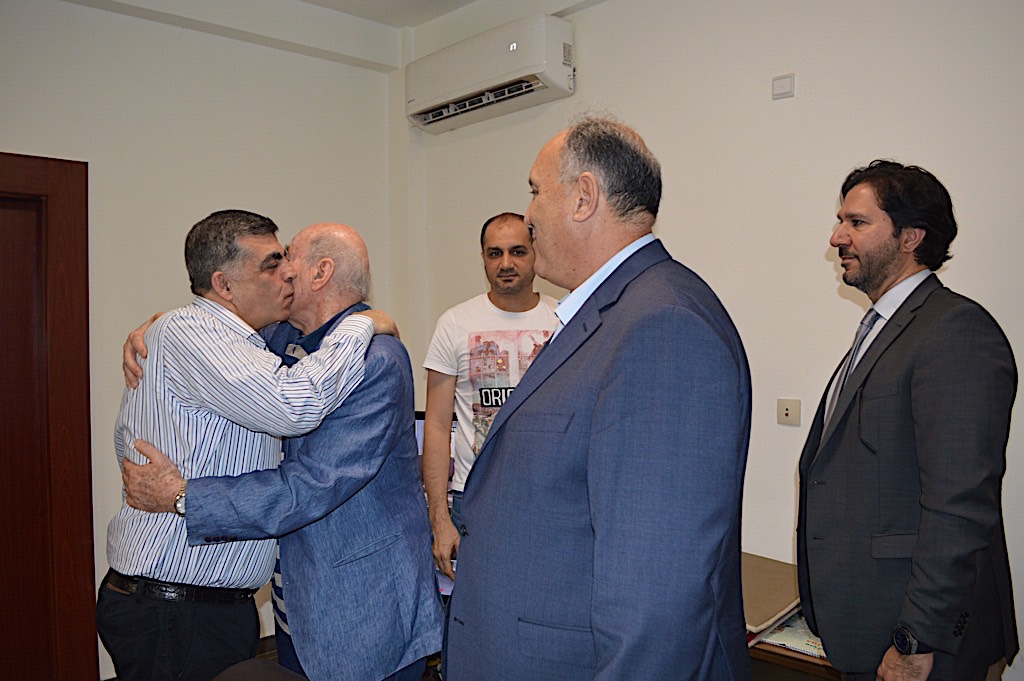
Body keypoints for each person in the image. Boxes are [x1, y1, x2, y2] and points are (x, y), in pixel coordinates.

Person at [443, 116, 753, 680]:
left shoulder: (663, 325)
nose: (528, 214)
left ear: (583, 197)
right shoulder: (611, 313)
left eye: (536, 191)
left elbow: (656, 591)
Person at [121, 223, 444, 681]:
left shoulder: (376, 361)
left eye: (287, 256)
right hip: (299, 603)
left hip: (361, 606)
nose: (281, 270)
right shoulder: (283, 337)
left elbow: (312, 485)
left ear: (320, 273)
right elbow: (220, 331)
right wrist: (160, 328)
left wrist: (184, 497)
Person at [797, 160, 1018, 681]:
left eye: (857, 222)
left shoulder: (956, 331)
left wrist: (917, 638)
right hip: (864, 626)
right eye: (840, 221)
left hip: (920, 645)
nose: (836, 237)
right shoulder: (882, 328)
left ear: (910, 237)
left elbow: (959, 505)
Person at [422, 212, 558, 580]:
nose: (506, 263)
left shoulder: (563, 320)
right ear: (482, 257)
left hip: (549, 498)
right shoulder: (455, 323)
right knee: (475, 606)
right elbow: (436, 425)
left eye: (518, 251)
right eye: (495, 253)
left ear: (535, 252)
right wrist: (439, 518)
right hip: (474, 499)